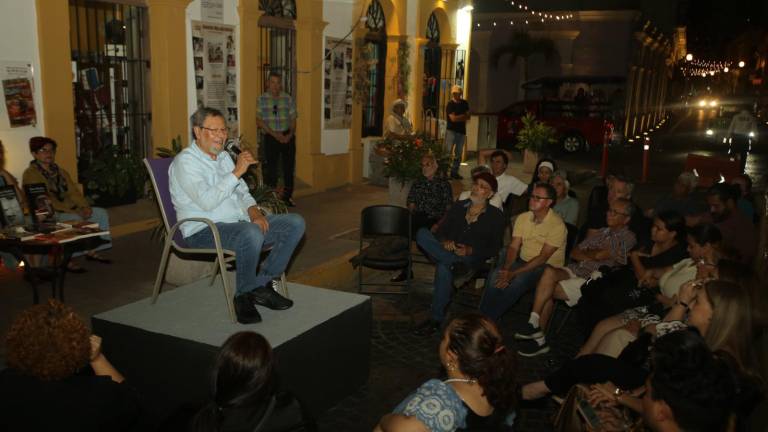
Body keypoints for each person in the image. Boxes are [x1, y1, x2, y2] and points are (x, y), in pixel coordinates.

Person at [522, 279, 758, 405]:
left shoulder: (711, 365)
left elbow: (661, 348)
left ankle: (535, 391)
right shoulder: (702, 341)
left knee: (594, 363)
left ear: (713, 315)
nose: (691, 306)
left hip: (653, 405)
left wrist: (619, 397)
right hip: (647, 390)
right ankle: (543, 389)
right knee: (595, 358)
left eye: (698, 303)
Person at [170, 107, 305, 324]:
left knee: (295, 223)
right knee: (251, 233)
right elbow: (207, 201)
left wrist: (254, 211)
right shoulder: (185, 163)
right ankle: (243, 295)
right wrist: (236, 172)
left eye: (223, 130)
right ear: (197, 131)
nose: (221, 135)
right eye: (213, 130)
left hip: (239, 225)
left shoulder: (223, 157)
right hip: (203, 229)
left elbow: (242, 192)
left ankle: (261, 284)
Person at [578, 224, 725, 358]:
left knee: (614, 333)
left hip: (660, 315)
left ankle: (591, 371)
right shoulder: (688, 262)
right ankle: (578, 363)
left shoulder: (708, 282)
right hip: (653, 307)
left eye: (692, 246)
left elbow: (678, 306)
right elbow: (662, 272)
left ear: (706, 248)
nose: (687, 249)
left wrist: (660, 295)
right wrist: (652, 274)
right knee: (602, 325)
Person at [514, 198, 636, 357]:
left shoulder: (629, 237)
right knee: (548, 273)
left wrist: (591, 254)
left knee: (546, 289)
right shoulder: (602, 232)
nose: (609, 214)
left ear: (626, 219)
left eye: (615, 212)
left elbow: (600, 255)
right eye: (609, 209)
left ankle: (538, 338)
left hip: (592, 280)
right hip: (576, 269)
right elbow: (574, 253)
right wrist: (595, 254)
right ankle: (534, 323)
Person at [0, 300, 139, 431]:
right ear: (80, 348)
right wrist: (97, 358)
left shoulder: (5, 381)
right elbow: (131, 404)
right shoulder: (98, 396)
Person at [376, 313, 516, 432]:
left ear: (451, 356)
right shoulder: (501, 382)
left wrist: (385, 420)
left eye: (444, 338)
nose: (441, 342)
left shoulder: (443, 402)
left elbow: (406, 428)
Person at [412, 172, 505, 336]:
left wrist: (471, 250)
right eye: (476, 184)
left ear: (490, 194)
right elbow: (440, 232)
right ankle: (454, 264)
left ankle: (435, 319)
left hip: (471, 257)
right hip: (448, 251)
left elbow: (495, 247)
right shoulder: (459, 206)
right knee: (421, 233)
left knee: (443, 267)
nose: (477, 188)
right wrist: (444, 242)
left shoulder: (495, 216)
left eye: (483, 187)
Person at [577, 211, 689, 332]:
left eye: (659, 229)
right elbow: (626, 260)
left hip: (644, 291)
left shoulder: (678, 254)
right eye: (653, 226)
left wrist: (635, 257)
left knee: (609, 299)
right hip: (625, 276)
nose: (653, 230)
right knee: (593, 290)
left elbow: (645, 279)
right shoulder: (648, 240)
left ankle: (596, 333)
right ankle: (588, 332)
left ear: (672, 234)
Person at [22, 136, 113, 273]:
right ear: (34, 154)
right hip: (49, 212)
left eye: (51, 150)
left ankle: (91, 251)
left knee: (100, 213)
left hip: (70, 208)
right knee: (75, 220)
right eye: (43, 150)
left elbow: (73, 192)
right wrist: (74, 211)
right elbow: (46, 200)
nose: (49, 153)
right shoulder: (31, 174)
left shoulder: (60, 171)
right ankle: (67, 259)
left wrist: (84, 206)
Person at [479, 182, 567, 321]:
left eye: (538, 198)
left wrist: (513, 273)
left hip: (546, 269)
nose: (532, 200)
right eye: (532, 196)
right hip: (524, 261)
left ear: (549, 202)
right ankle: (482, 317)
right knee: (497, 275)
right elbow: (514, 246)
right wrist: (507, 269)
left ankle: (487, 320)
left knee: (517, 280)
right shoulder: (523, 218)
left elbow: (543, 257)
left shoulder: (557, 225)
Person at [390, 153, 453, 283]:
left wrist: (439, 224)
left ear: (435, 166)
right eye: (422, 165)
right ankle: (406, 269)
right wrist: (411, 211)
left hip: (435, 219)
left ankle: (444, 270)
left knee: (423, 240)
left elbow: (449, 210)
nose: (424, 168)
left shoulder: (444, 184)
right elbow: (411, 204)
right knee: (401, 230)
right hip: (419, 217)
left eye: (428, 164)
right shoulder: (418, 183)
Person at [256, 72, 298, 207]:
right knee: (271, 169)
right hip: (270, 137)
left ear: (281, 84)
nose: (275, 85)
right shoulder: (261, 99)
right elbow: (259, 121)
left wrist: (290, 134)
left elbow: (293, 118)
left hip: (287, 136)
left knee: (288, 168)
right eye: (272, 82)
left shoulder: (288, 99)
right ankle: (271, 199)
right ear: (268, 83)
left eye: (278, 82)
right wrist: (275, 135)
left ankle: (287, 198)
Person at [705, 183, 756, 265]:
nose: (712, 210)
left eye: (716, 206)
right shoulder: (718, 215)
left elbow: (743, 260)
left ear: (730, 203)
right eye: (710, 206)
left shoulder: (743, 226)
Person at [445, 85, 470, 180]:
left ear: (461, 93)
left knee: (458, 153)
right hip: (451, 131)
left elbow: (468, 116)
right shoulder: (450, 104)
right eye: (455, 93)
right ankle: (445, 172)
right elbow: (453, 119)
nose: (456, 95)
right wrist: (462, 116)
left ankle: (454, 172)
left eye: (458, 93)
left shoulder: (464, 103)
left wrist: (458, 117)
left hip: (461, 131)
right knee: (447, 152)